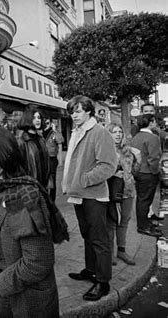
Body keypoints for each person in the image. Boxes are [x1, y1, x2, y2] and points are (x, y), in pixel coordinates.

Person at [0, 126, 59, 317]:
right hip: (1, 291)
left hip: (26, 301)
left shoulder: (21, 196)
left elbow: (38, 262)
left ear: (6, 151)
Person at [63, 96, 117, 302]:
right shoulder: (77, 132)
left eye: (77, 111)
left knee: (99, 239)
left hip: (93, 194)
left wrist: (83, 180)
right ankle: (90, 270)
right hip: (79, 194)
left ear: (88, 112)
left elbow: (108, 165)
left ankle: (103, 282)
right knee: (87, 234)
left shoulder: (99, 132)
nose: (73, 115)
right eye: (71, 112)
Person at [106, 123, 140, 266]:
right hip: (114, 191)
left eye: (120, 132)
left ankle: (121, 250)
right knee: (112, 222)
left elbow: (135, 171)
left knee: (124, 221)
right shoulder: (105, 150)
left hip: (129, 190)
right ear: (109, 134)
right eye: (114, 132)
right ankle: (110, 253)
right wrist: (114, 173)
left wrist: (138, 159)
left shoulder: (128, 151)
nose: (118, 134)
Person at [131, 114, 163, 237]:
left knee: (141, 199)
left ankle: (143, 223)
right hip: (148, 173)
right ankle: (143, 226)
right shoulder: (153, 138)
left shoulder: (136, 136)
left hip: (138, 171)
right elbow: (153, 158)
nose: (155, 123)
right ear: (150, 122)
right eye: (154, 121)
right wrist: (156, 172)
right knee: (145, 200)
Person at [17, 107, 50, 187]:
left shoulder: (41, 139)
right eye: (34, 118)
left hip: (43, 185)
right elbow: (18, 168)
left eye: (39, 118)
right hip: (30, 186)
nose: (38, 120)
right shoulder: (21, 142)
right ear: (28, 119)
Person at [43, 118, 64, 201]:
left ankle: (52, 199)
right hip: (43, 159)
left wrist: (55, 130)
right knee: (43, 179)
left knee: (52, 179)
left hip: (52, 159)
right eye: (45, 123)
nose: (46, 125)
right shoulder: (40, 133)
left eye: (48, 123)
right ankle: (45, 198)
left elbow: (61, 140)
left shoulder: (54, 133)